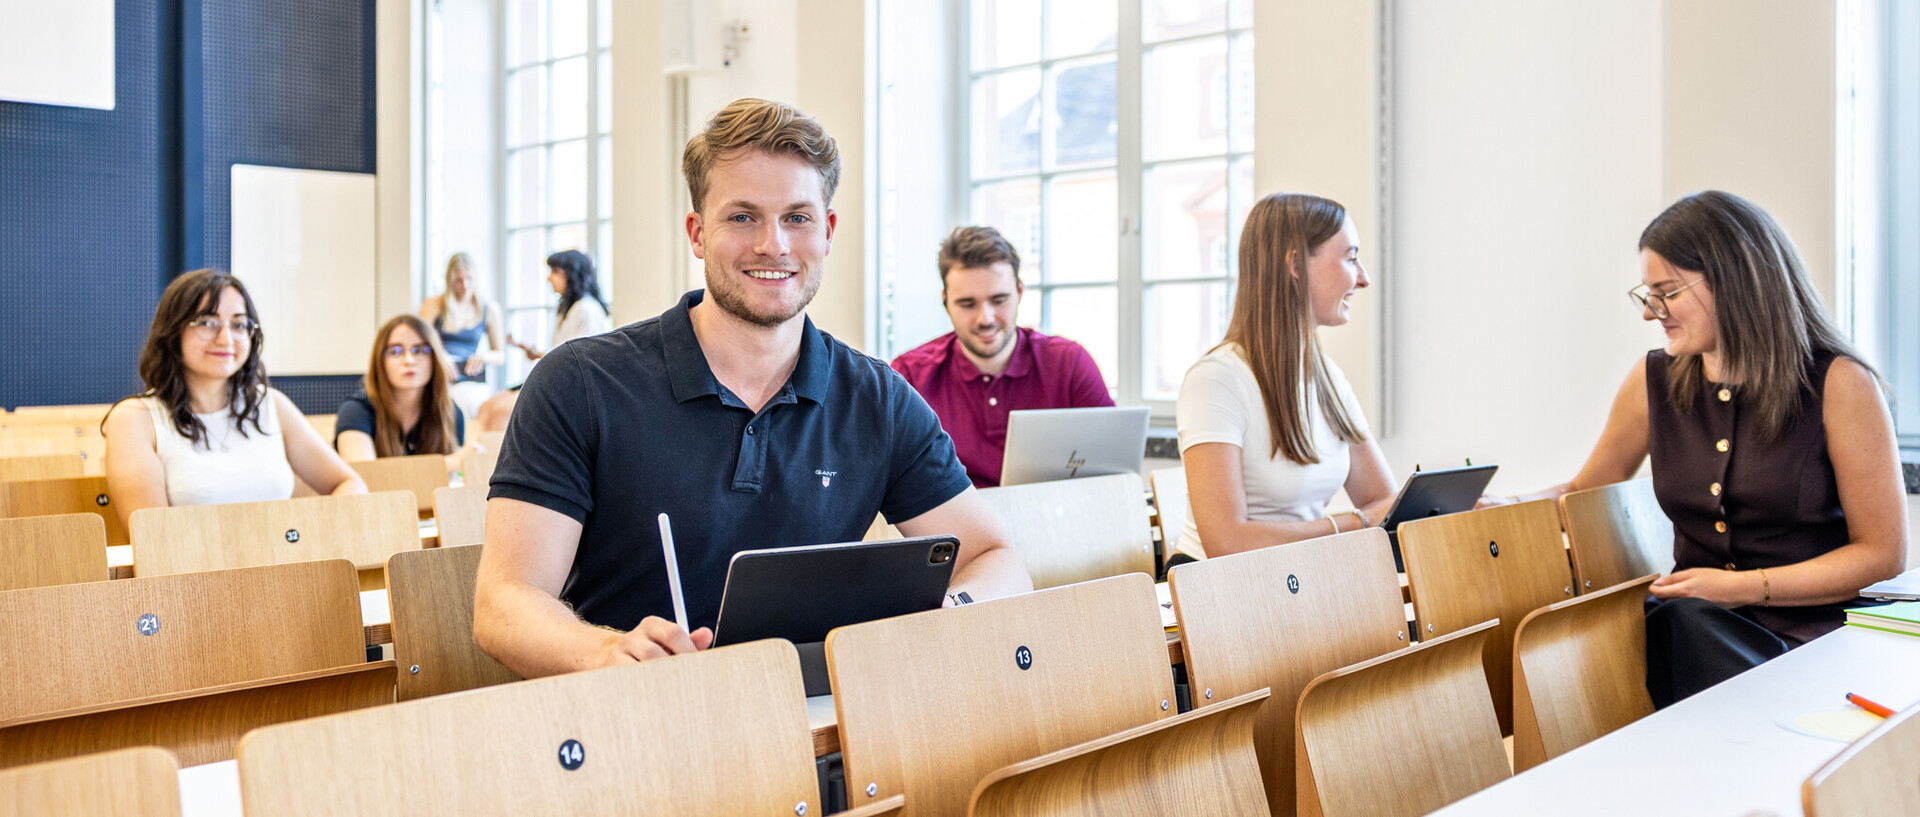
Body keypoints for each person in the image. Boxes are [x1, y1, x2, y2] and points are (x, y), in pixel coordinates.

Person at [473, 98, 1032, 677]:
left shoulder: (879, 400)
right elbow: (504, 603)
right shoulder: (579, 383)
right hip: (637, 711)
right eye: (743, 217)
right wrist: (603, 652)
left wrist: (946, 613)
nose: (774, 245)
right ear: (697, 233)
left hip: (822, 715)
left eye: (797, 218)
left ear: (827, 232)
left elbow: (997, 559)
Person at [1492, 191, 1906, 706]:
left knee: (1674, 626)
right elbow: (1582, 490)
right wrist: (1505, 505)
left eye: (1667, 293)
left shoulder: (1840, 384)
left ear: (1734, 281)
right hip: (1696, 634)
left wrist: (1742, 588)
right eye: (1648, 295)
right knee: (1641, 630)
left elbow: (1882, 554)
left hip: (1812, 641)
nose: (1651, 314)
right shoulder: (1652, 381)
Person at [1175, 193, 1397, 560]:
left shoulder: (1329, 378)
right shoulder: (1216, 380)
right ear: (1295, 264)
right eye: (1350, 257)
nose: (1363, 278)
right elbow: (1226, 543)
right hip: (1215, 584)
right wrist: (1355, 523)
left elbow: (1383, 503)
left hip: (1297, 575)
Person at [103, 270, 366, 532]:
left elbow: (349, 484)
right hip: (191, 561)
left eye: (239, 325)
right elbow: (151, 537)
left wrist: (307, 535)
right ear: (172, 332)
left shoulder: (270, 404)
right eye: (207, 322)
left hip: (283, 556)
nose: (226, 339)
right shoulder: (134, 419)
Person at [890, 226, 1114, 487]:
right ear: (945, 300)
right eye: (967, 304)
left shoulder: (1069, 363)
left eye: (999, 300)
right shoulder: (909, 376)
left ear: (1019, 292)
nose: (985, 319)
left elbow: (1112, 470)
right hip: (953, 515)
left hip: (1054, 511)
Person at [476, 249, 613, 432]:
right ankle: (476, 451)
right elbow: (563, 353)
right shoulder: (566, 309)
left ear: (571, 275)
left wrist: (543, 356)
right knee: (486, 407)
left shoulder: (587, 310)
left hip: (570, 390)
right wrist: (535, 352)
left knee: (501, 412)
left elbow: (579, 362)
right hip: (554, 380)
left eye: (555, 272)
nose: (549, 278)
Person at [333, 314, 469, 475]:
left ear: (435, 358)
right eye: (396, 351)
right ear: (380, 361)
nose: (409, 360)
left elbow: (453, 480)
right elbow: (366, 477)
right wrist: (448, 464)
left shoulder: (451, 412)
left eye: (420, 350)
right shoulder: (355, 411)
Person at [418, 252, 505, 421]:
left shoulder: (489, 309)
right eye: (458, 280)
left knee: (474, 407)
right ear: (449, 281)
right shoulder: (434, 304)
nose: (464, 286)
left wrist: (483, 357)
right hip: (441, 373)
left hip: (470, 376)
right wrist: (440, 356)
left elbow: (500, 355)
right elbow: (418, 340)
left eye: (469, 279)